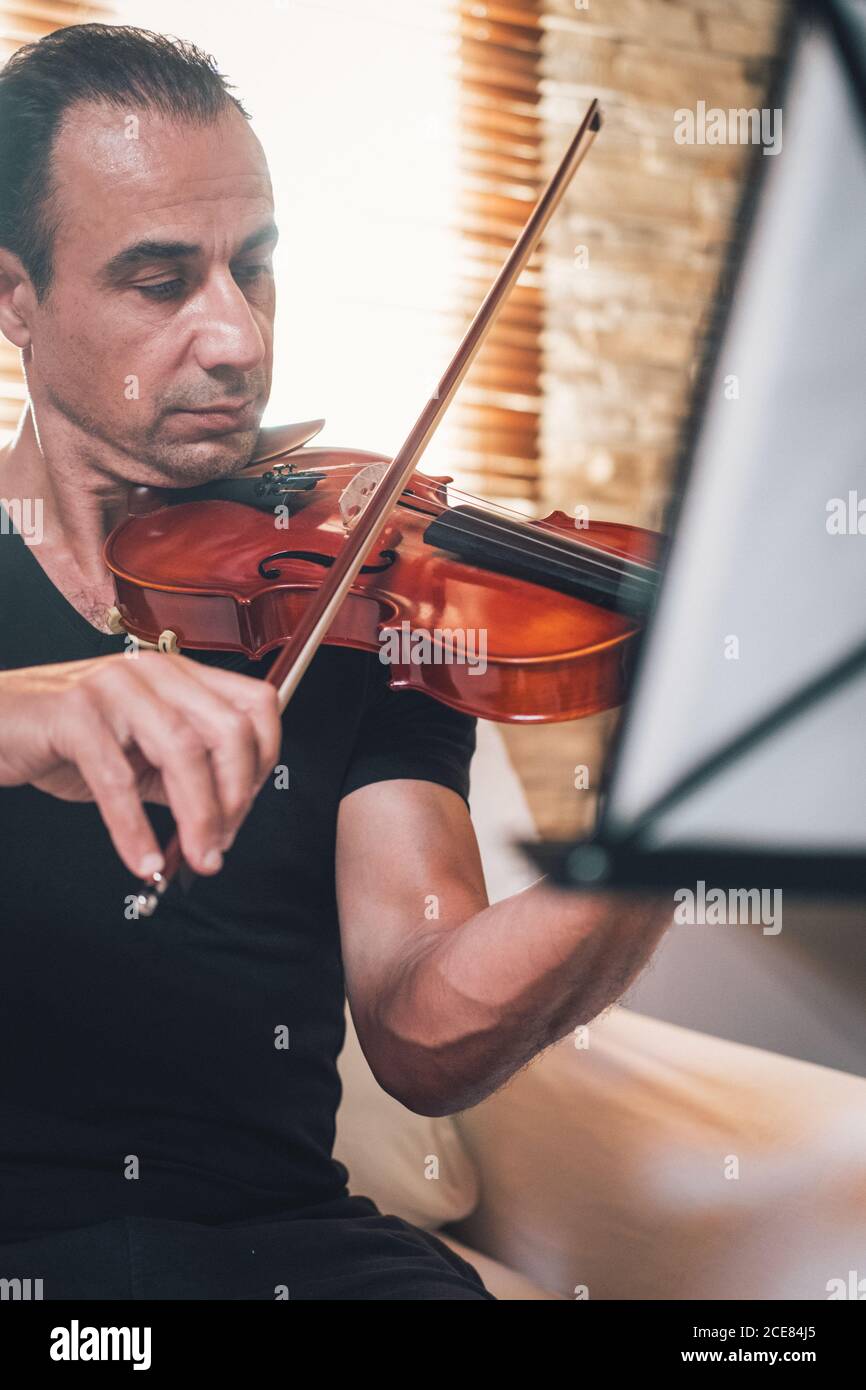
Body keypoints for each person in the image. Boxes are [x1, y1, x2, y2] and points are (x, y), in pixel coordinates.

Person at [0, 24, 669, 1300]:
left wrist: (663, 842)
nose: (237, 338)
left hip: (281, 1251)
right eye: (159, 281)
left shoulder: (362, 598)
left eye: (253, 271)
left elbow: (422, 1022)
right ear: (12, 294)